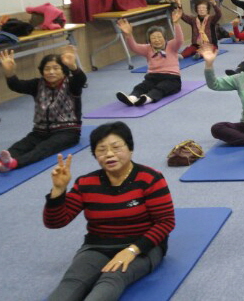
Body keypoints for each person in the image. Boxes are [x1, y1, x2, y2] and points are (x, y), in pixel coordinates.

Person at [43, 121, 175, 301]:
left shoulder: (150, 178)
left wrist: (132, 250)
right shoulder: (86, 183)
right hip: (97, 245)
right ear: (95, 155)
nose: (109, 154)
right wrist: (58, 191)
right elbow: (55, 222)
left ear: (130, 149)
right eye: (101, 150)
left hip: (143, 246)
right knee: (72, 282)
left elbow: (166, 222)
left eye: (116, 147)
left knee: (111, 280)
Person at [0, 45, 85, 173]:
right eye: (47, 69)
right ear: (42, 71)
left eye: (56, 68)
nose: (51, 72)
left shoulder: (71, 84)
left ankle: (14, 163)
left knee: (42, 149)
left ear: (64, 71)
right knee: (21, 146)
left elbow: (81, 79)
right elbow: (16, 85)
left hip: (67, 131)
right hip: (40, 131)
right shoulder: (37, 84)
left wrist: (73, 66)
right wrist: (9, 72)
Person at [115, 8, 184, 106]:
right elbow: (134, 47)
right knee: (142, 86)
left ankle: (147, 98)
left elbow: (179, 39)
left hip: (171, 78)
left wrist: (176, 23)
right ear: (149, 41)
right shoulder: (147, 49)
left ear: (165, 38)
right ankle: (132, 98)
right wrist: (128, 35)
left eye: (159, 37)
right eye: (153, 38)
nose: (157, 40)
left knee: (162, 87)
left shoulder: (171, 46)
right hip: (153, 77)